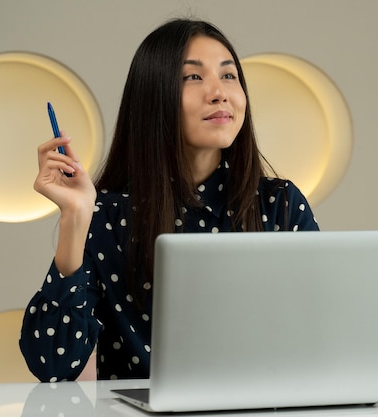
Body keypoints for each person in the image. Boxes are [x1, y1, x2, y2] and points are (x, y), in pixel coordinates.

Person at [20, 18, 319, 382]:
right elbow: (52, 365)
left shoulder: (280, 205)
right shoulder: (108, 215)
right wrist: (76, 216)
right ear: (153, 95)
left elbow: (321, 335)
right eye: (193, 77)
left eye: (229, 76)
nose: (219, 93)